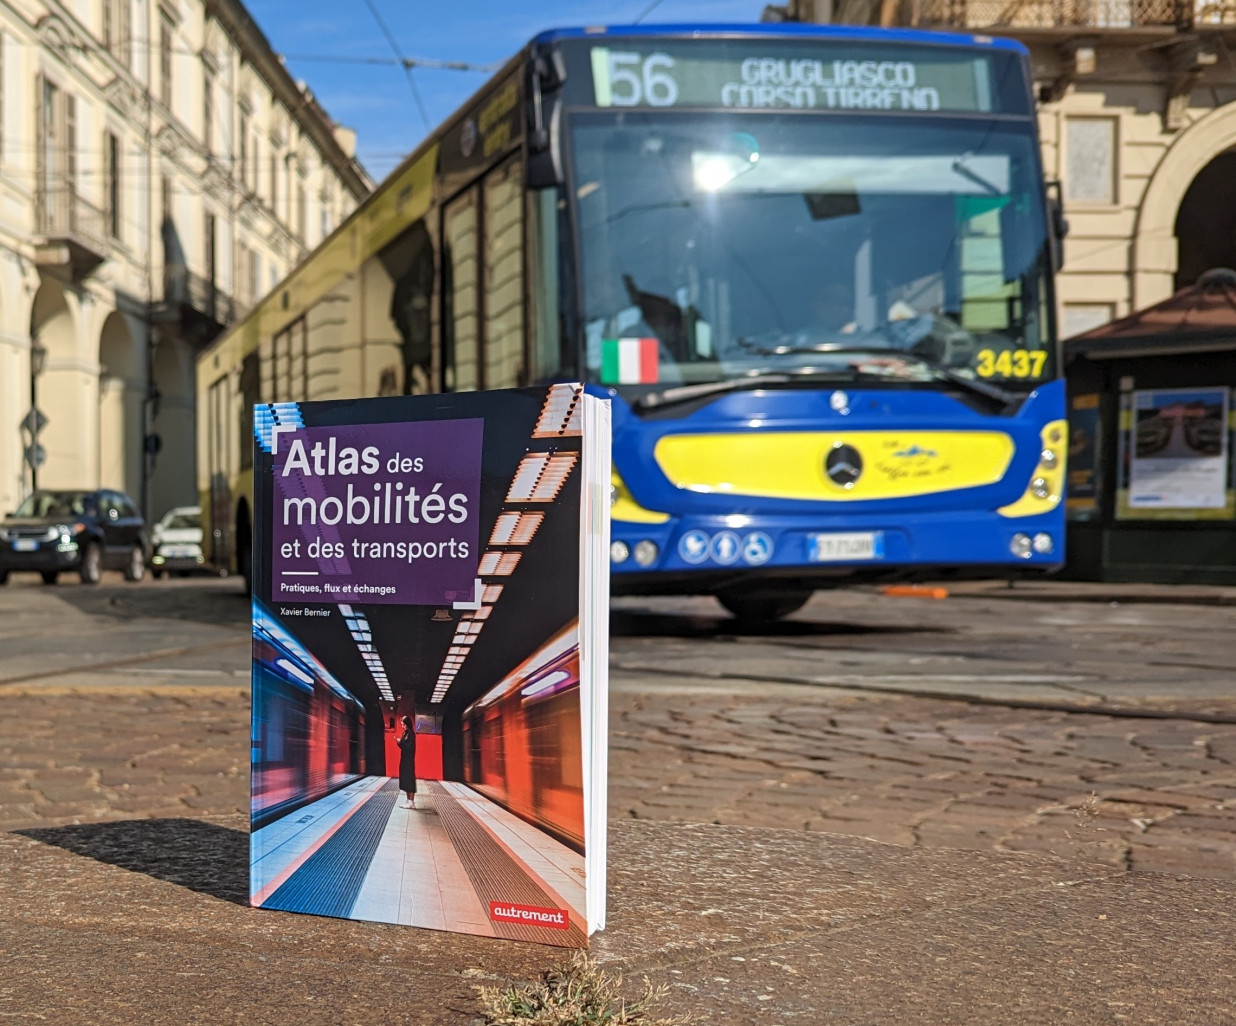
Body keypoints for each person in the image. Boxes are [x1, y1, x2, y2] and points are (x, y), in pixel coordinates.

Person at [397, 714, 417, 809]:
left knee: (409, 779)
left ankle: (411, 801)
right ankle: (408, 800)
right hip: (404, 759)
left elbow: (408, 747)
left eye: (403, 724)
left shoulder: (411, 734)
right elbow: (404, 746)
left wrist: (400, 742)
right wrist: (399, 742)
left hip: (408, 760)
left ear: (407, 724)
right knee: (405, 779)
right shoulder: (405, 733)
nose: (402, 726)